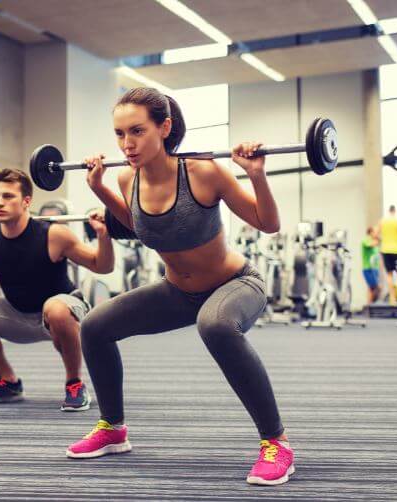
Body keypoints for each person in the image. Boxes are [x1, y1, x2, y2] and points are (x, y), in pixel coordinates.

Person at [66, 87, 294, 486]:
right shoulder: (127, 177)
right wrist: (99, 188)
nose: (126, 143)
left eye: (137, 131)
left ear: (165, 127)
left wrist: (256, 175)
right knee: (95, 326)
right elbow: (139, 226)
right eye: (119, 134)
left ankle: (277, 443)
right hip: (178, 292)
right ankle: (112, 428)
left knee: (216, 325)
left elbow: (268, 223)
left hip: (235, 284)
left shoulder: (204, 172)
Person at [0, 168, 114, 412]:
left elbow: (102, 266)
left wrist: (103, 235)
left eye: (8, 196)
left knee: (55, 308)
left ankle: (74, 383)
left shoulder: (53, 234)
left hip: (63, 313)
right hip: (18, 314)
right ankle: (7, 381)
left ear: (26, 201)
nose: (0, 203)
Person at [376, 205, 397, 306]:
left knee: (389, 274)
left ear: (388, 211)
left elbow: (376, 234)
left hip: (385, 249)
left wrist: (383, 240)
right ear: (395, 211)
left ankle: (392, 300)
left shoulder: (382, 221)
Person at [362, 226, 381, 304]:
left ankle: (371, 304)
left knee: (373, 288)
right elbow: (371, 245)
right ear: (371, 232)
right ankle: (369, 304)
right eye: (375, 232)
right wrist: (379, 239)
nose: (377, 234)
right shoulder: (366, 240)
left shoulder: (376, 242)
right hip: (368, 268)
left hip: (375, 268)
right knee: (373, 287)